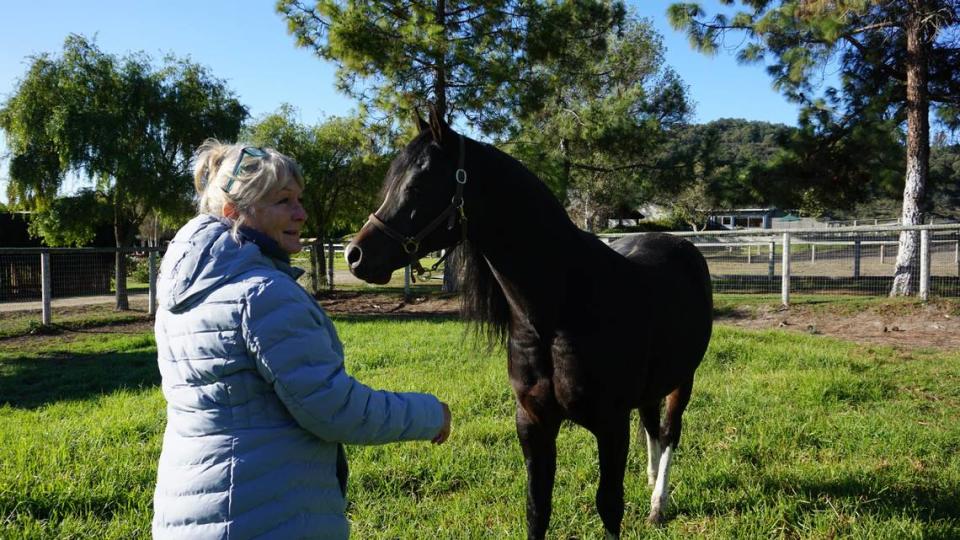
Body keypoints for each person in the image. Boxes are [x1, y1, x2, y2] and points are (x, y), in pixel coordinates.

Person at [152, 140, 452, 539]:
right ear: (234, 212)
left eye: (299, 199)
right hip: (264, 516)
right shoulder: (262, 295)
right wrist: (431, 414)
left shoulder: (182, 291)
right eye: (283, 202)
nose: (301, 213)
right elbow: (336, 409)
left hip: (187, 514)